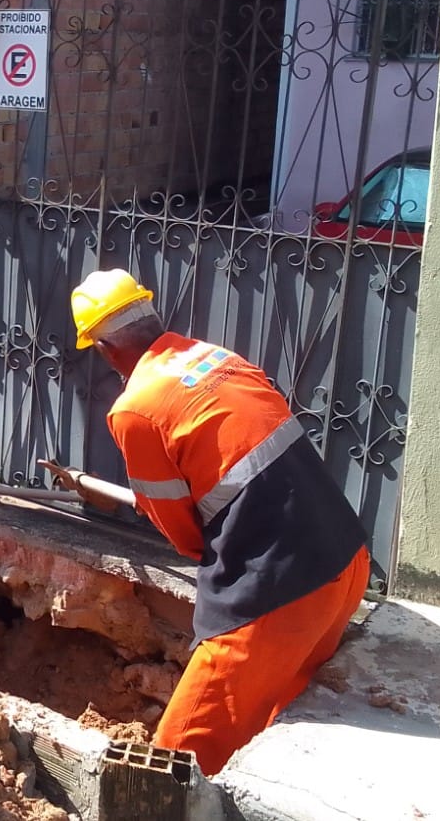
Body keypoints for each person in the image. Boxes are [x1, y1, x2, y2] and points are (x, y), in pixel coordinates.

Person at [50, 269, 371, 775]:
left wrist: (174, 522)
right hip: (346, 563)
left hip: (281, 594)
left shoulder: (136, 409)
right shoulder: (219, 359)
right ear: (152, 317)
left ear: (106, 350)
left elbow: (182, 533)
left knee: (173, 761)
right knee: (275, 724)